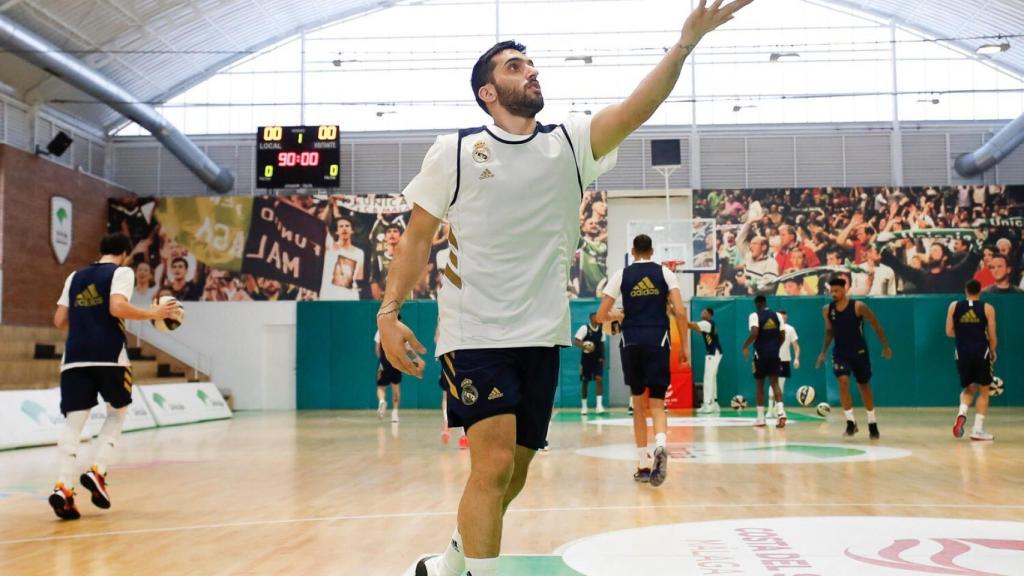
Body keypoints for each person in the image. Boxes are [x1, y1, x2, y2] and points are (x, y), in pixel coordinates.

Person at [379, 4, 752, 574]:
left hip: (541, 333)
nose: (530, 71)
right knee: (494, 464)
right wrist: (389, 313)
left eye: (531, 64)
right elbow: (417, 236)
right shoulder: (454, 150)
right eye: (513, 66)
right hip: (473, 333)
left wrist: (684, 45)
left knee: (517, 470)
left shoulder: (571, 144)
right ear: (487, 92)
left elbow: (635, 110)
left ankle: (453, 561)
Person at [49, 233, 180, 520]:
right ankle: (97, 470)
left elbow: (59, 321)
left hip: (74, 358)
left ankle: (64, 488)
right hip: (109, 355)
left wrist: (85, 316)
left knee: (74, 424)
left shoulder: (75, 276)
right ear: (124, 253)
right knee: (118, 412)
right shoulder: (121, 272)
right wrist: (151, 312)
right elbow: (116, 307)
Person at [597, 234, 688, 486]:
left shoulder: (621, 275)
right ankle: (660, 445)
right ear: (652, 250)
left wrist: (620, 315)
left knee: (638, 404)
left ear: (633, 251)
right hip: (659, 340)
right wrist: (685, 348)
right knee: (657, 404)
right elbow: (680, 311)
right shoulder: (666, 274)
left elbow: (601, 315)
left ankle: (643, 464)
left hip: (632, 341)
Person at [815, 277, 893, 439]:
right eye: (832, 291)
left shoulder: (858, 306)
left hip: (859, 352)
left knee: (863, 386)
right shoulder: (827, 310)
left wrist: (885, 346)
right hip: (840, 353)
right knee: (843, 382)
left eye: (837, 291)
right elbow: (829, 332)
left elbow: (875, 324)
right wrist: (823, 352)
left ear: (844, 290)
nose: (834, 294)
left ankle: (872, 423)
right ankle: (851, 423)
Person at [947, 280, 997, 441]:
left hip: (962, 351)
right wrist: (993, 350)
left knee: (969, 387)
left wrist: (965, 335)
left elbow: (949, 331)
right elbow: (992, 334)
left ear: (965, 290)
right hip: (981, 351)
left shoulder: (954, 306)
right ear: (980, 291)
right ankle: (977, 429)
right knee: (983, 391)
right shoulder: (988, 308)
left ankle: (961, 413)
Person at [740, 295, 786, 428]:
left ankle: (761, 418)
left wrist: (745, 346)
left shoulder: (754, 315)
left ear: (756, 304)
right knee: (775, 384)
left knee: (760, 386)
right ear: (766, 302)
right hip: (774, 354)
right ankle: (781, 413)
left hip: (760, 355)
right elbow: (782, 336)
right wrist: (776, 347)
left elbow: (754, 333)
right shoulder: (778, 316)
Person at [320, 215, 365, 300]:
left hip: (350, 297)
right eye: (341, 226)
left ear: (352, 230)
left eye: (347, 226)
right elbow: (321, 224)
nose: (344, 228)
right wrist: (331, 204)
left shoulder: (359, 253)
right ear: (336, 231)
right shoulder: (329, 247)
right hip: (329, 296)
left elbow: (359, 277)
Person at [688, 307, 722, 413]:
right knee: (712, 378)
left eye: (704, 312)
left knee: (708, 378)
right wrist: (692, 325)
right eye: (702, 311)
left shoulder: (707, 323)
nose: (702, 312)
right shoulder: (709, 324)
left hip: (713, 353)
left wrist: (678, 316)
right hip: (716, 352)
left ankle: (708, 404)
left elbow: (692, 326)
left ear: (709, 314)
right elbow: (696, 328)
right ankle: (715, 403)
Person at [574, 313, 606, 414]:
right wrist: (585, 346)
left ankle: (599, 406)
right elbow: (576, 341)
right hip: (586, 359)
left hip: (597, 359)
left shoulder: (602, 329)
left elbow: (602, 344)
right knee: (585, 381)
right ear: (591, 318)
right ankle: (584, 406)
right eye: (595, 317)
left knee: (599, 379)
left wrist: (602, 357)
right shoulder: (584, 328)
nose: (597, 318)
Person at [770, 310, 800, 418]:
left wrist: (797, 358)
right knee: (772, 383)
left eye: (785, 318)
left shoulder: (790, 329)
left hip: (784, 360)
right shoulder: (771, 328)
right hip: (772, 358)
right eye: (782, 318)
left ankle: (778, 409)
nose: (784, 319)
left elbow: (795, 345)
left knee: (780, 385)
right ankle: (769, 410)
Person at [374, 327, 402, 423]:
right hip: (397, 363)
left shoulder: (381, 330)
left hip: (384, 362)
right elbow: (407, 349)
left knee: (381, 387)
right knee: (396, 388)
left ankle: (382, 401)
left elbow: (377, 349)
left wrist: (382, 361)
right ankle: (395, 414)